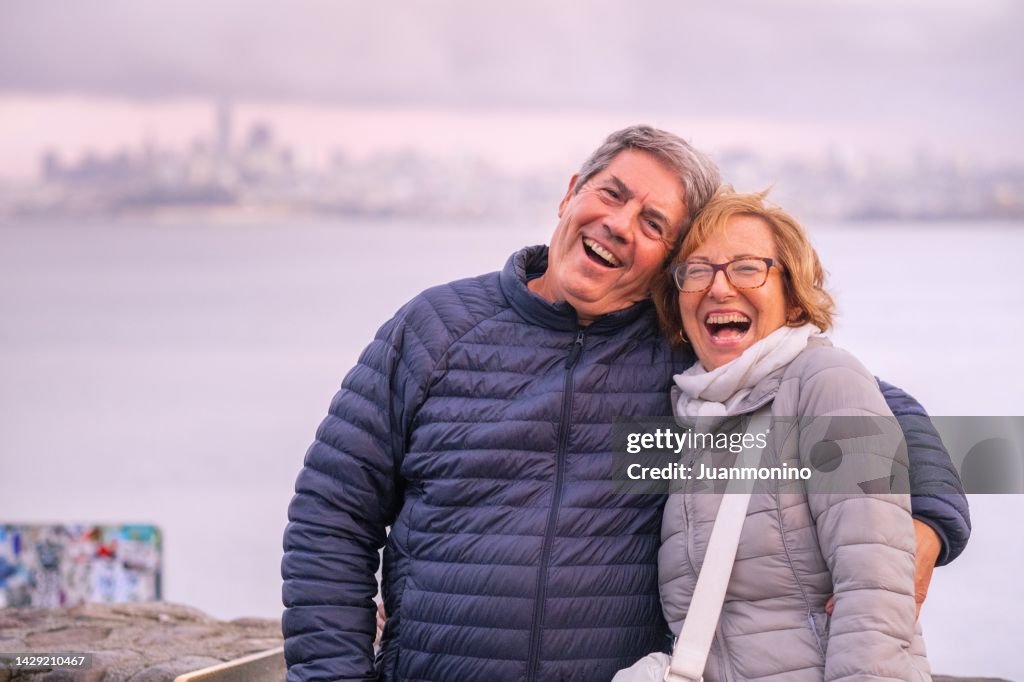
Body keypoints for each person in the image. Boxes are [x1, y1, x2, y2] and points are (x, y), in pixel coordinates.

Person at [282, 126, 970, 681]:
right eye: (610, 194)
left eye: (652, 223)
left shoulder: (680, 355)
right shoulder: (436, 330)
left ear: (665, 261)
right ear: (570, 194)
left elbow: (870, 406)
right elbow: (331, 516)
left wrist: (929, 523)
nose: (618, 224)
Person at [643, 189, 933, 680]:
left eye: (747, 268)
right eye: (698, 271)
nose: (719, 287)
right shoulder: (697, 412)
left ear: (794, 300)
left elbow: (875, 592)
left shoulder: (827, 381)